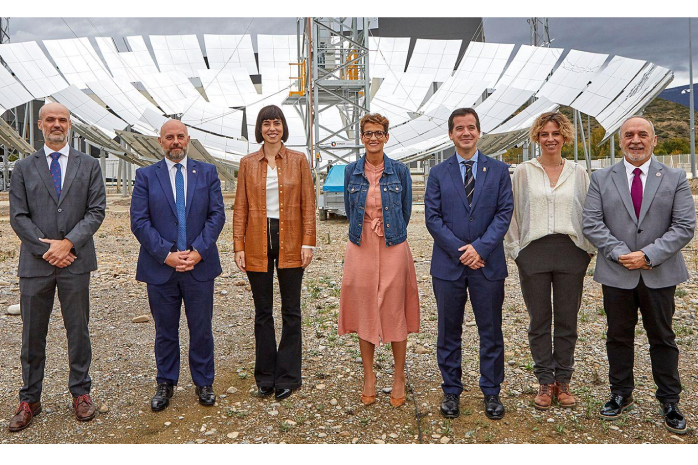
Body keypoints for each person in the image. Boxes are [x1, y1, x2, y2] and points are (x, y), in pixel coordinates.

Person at [582, 116, 695, 435]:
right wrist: (619, 252)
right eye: (629, 135)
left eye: (642, 134)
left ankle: (670, 400)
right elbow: (591, 222)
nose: (635, 140)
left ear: (654, 140)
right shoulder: (601, 177)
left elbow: (684, 225)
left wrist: (649, 254)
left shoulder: (674, 177)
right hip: (617, 273)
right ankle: (620, 393)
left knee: (663, 336)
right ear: (620, 141)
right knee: (618, 335)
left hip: (660, 273)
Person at [8, 102, 106, 432]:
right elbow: (18, 217)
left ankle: (81, 392)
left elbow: (96, 211)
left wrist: (69, 244)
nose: (57, 124)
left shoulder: (89, 165)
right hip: (36, 265)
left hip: (75, 262)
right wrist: (46, 248)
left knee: (78, 331)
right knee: (32, 333)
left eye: (62, 119)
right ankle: (29, 398)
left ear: (70, 125)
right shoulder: (23, 167)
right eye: (50, 119)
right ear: (40, 125)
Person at [131, 119, 225, 412]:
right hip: (161, 267)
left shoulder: (207, 172)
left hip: (199, 265)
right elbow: (139, 221)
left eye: (180, 136)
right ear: (160, 141)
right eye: (169, 137)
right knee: (165, 330)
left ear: (188, 139)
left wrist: (197, 250)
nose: (175, 142)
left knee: (201, 328)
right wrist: (166, 255)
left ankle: (204, 382)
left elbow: (217, 216)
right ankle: (165, 383)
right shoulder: (146, 176)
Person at [425, 107, 513, 420]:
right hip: (448, 267)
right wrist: (462, 251)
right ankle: (451, 390)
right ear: (451, 134)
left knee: (491, 331)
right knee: (449, 331)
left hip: (487, 265)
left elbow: (504, 215)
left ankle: (491, 391)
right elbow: (433, 219)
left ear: (479, 132)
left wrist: (480, 249)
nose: (466, 133)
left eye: (471, 127)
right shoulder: (438, 173)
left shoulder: (499, 171)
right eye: (459, 128)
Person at [505, 112, 595, 410]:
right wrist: (517, 251)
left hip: (571, 251)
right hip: (534, 251)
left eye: (556, 133)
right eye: (544, 133)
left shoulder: (578, 172)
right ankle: (545, 380)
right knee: (539, 320)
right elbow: (513, 213)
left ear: (565, 136)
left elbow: (588, 213)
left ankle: (564, 380)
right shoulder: (523, 172)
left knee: (567, 319)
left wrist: (587, 250)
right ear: (537, 137)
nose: (550, 138)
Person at [233, 105, 316, 401]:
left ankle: (289, 376)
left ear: (283, 128)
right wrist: (238, 246)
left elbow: (308, 204)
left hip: (291, 238)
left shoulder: (298, 160)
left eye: (277, 123)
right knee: (263, 312)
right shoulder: (247, 163)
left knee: (291, 311)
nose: (272, 128)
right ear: (260, 128)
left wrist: (309, 242)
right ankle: (265, 376)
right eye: (266, 123)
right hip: (257, 238)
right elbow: (240, 207)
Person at [339, 113, 420, 408]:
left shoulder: (400, 171)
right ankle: (369, 376)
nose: (373, 138)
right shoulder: (351, 171)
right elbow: (351, 209)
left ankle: (399, 376)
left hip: (393, 244)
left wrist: (390, 230)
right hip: (360, 245)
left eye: (379, 133)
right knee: (364, 308)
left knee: (395, 306)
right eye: (368, 133)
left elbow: (406, 210)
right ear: (362, 137)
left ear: (387, 136)